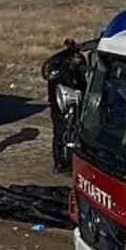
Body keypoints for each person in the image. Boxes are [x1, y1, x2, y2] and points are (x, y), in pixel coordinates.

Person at [47, 42, 88, 173]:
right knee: (66, 136)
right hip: (63, 108)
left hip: (59, 108)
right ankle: (64, 164)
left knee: (61, 136)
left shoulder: (56, 71)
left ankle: (60, 163)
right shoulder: (65, 73)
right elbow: (78, 87)